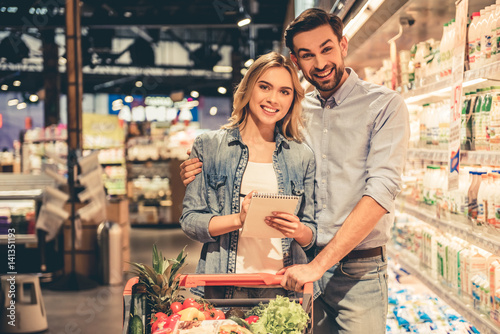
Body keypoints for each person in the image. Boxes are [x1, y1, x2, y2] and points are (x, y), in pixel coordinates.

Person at [181, 8, 410, 334]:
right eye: (307, 55)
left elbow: (382, 190)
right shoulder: (297, 114)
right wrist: (200, 168)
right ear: (296, 60)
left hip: (357, 269)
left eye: (327, 49)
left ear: (343, 45)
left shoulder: (385, 105)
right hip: (297, 267)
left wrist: (318, 265)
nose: (319, 63)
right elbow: (251, 153)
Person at [179, 51, 317, 300]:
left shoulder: (301, 155)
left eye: (284, 92)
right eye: (265, 87)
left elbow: (311, 234)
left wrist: (297, 230)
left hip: (283, 289)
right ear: (249, 88)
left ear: (292, 100)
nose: (273, 99)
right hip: (224, 287)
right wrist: (240, 219)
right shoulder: (209, 146)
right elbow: (190, 221)